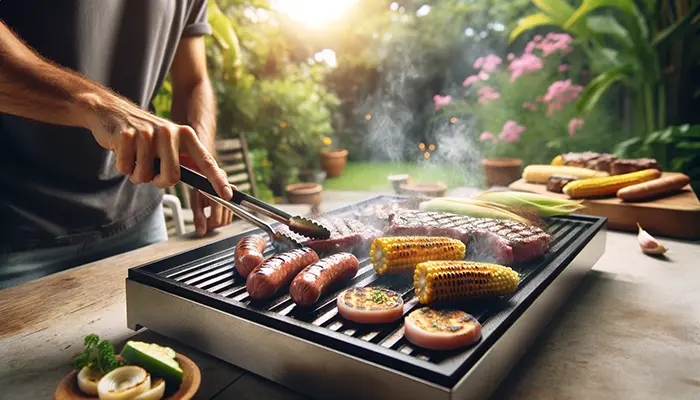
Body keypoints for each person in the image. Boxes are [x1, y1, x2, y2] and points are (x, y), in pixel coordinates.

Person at [0, 1, 236, 289]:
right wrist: (97, 104)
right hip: (16, 229)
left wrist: (203, 158)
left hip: (138, 221)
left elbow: (193, 82)